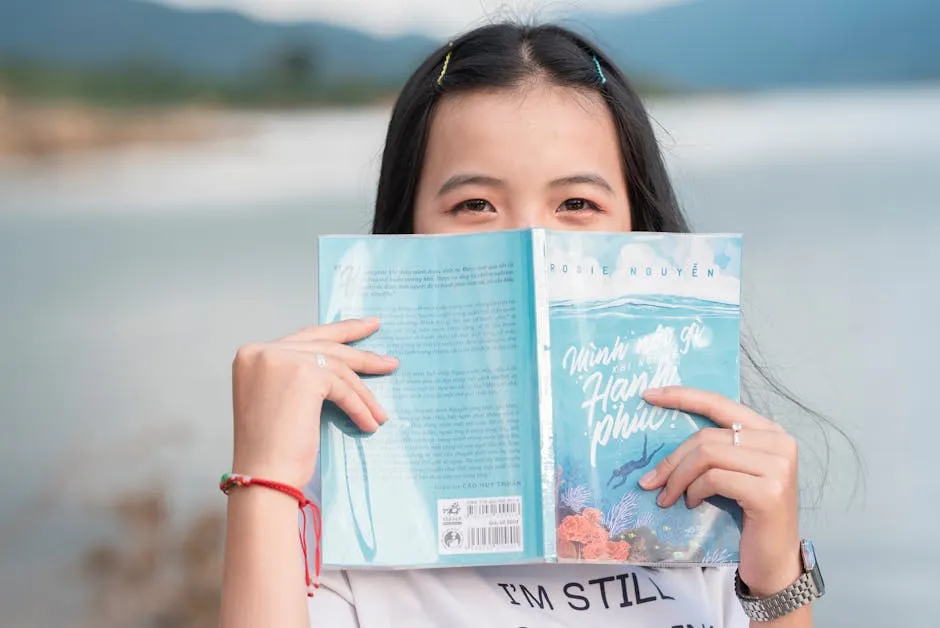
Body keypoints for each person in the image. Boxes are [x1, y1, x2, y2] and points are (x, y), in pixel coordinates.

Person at [219, 22, 826, 628]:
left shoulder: (707, 487)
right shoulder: (349, 505)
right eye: (474, 205)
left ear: (641, 230)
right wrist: (264, 479)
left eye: (577, 205)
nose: (533, 244)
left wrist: (778, 579)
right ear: (404, 235)